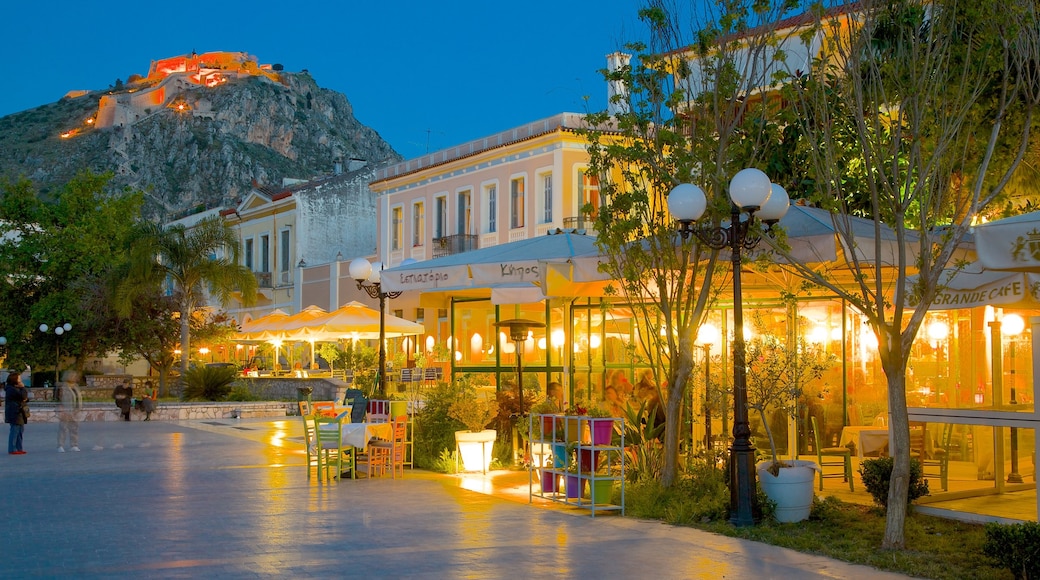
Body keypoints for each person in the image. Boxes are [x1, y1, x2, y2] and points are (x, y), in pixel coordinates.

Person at [57, 370, 82, 452]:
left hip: (75, 411)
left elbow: (78, 398)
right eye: (73, 376)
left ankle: (74, 445)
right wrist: (61, 410)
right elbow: (59, 399)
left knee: (74, 428)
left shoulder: (76, 386)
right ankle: (60, 445)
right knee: (63, 428)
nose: (74, 378)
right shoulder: (62, 387)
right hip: (66, 410)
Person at [5, 372, 29, 454]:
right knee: (14, 431)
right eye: (19, 378)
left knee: (20, 431)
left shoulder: (16, 388)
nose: (20, 379)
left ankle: (19, 448)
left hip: (20, 412)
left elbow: (24, 398)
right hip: (15, 412)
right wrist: (23, 388)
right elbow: (23, 397)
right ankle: (12, 449)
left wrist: (23, 395)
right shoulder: (11, 389)